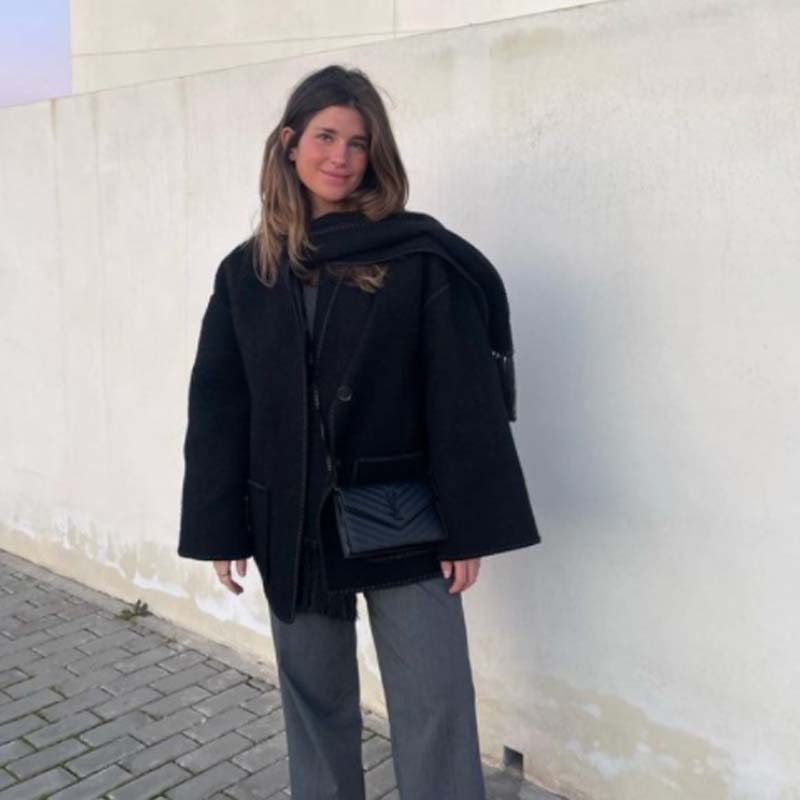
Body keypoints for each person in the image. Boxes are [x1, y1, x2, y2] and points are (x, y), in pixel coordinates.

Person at [177, 63, 540, 800]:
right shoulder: (246, 273)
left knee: (435, 702)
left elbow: (459, 396)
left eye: (359, 142)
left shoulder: (413, 258)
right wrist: (219, 527)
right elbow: (220, 406)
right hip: (290, 521)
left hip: (403, 515)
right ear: (289, 143)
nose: (341, 157)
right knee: (314, 705)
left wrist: (467, 526)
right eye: (326, 136)